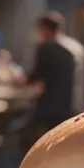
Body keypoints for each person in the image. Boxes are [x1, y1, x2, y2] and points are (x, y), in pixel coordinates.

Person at [25, 12, 79, 144]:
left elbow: (36, 77)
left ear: (45, 29)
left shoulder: (45, 48)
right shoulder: (71, 50)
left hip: (48, 108)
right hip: (67, 106)